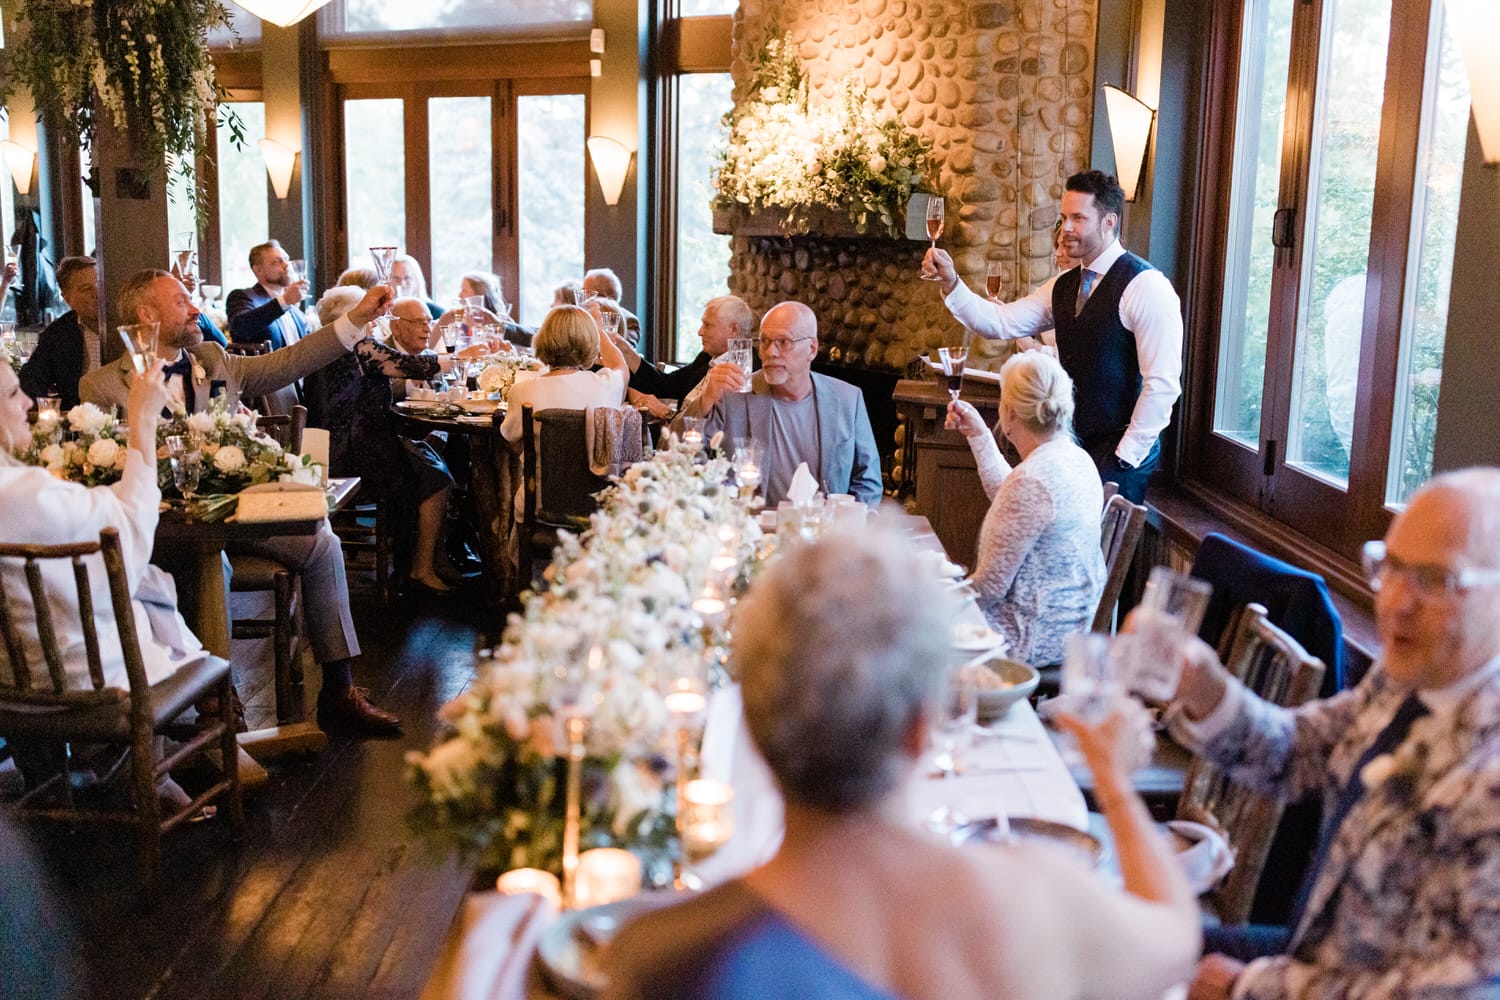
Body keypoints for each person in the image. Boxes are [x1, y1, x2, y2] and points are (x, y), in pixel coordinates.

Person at [603, 529, 1199, 1000]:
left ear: (754, 733)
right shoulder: (1040, 903)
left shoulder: (657, 957)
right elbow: (1176, 936)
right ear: (922, 728)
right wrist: (1114, 783)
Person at [1167, 467, 1500, 999]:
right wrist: (1204, 689)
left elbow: (1454, 992)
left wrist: (1254, 987)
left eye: (1436, 581)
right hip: (1310, 949)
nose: (1397, 602)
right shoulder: (1405, 677)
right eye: (1391, 568)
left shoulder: (1490, 777)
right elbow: (1298, 753)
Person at [80, 270, 402, 734]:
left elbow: (289, 362)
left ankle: (338, 691)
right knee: (215, 567)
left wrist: (355, 320)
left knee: (321, 541)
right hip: (167, 532)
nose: (195, 309)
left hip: (239, 516)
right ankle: (216, 700)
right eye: (181, 302)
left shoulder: (213, 360)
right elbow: (107, 472)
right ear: (146, 315)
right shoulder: (102, 388)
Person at [1, 356, 215, 808]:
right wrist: (141, 422)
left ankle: (58, 782)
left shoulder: (30, 493)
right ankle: (142, 774)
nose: (27, 404)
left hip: (7, 682)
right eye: (12, 394)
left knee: (141, 594)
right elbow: (129, 535)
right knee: (148, 594)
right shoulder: (26, 496)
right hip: (79, 686)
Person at [924, 170, 1182, 504]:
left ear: (1109, 222)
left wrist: (1125, 456)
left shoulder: (1146, 286)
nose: (1067, 229)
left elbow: (1162, 384)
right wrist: (951, 282)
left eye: (1078, 217)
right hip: (1071, 447)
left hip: (1119, 457)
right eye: (1064, 217)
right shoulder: (1063, 285)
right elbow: (999, 321)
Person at [945, 352, 1104, 664]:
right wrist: (979, 434)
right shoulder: (1076, 460)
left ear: (1009, 413)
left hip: (1026, 637)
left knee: (901, 637)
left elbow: (988, 589)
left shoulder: (1031, 481)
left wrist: (923, 601)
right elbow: (1017, 503)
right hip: (1071, 631)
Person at [334, 295, 462, 595]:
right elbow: (409, 367)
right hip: (355, 448)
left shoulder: (357, 346)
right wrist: (459, 358)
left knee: (439, 458)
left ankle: (434, 555)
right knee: (436, 476)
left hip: (371, 436)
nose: (375, 322)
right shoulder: (359, 348)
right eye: (370, 316)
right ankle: (421, 568)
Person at [699, 301, 883, 508]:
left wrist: (849, 528)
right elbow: (684, 454)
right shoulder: (735, 395)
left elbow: (868, 480)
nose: (770, 352)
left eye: (783, 342)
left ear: (812, 349)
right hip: (753, 530)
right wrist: (705, 401)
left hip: (824, 533)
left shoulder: (848, 399)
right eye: (765, 342)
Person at [499, 304, 628, 442]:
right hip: (594, 464)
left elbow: (510, 436)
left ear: (542, 338)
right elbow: (620, 365)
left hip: (541, 464)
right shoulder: (606, 384)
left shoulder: (521, 391)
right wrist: (599, 330)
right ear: (591, 343)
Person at [613, 295, 753, 419]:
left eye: (708, 325)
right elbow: (663, 384)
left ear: (734, 329)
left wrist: (667, 413)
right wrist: (625, 350)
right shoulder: (705, 358)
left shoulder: (749, 371)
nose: (700, 332)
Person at [19, 256, 102, 408]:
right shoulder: (57, 334)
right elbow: (30, 384)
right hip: (82, 421)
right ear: (68, 299)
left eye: (100, 283)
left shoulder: (129, 324)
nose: (98, 293)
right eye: (86, 289)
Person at [226, 239, 310, 350]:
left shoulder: (295, 310)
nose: (286, 265)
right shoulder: (243, 297)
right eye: (277, 262)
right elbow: (240, 328)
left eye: (286, 260)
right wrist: (284, 301)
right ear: (258, 270)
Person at [582, 266, 640, 345]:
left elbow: (626, 351)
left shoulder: (629, 320)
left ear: (602, 296)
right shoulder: (581, 318)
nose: (583, 299)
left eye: (586, 293)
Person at [390, 254, 444, 320]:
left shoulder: (436, 313)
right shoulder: (383, 314)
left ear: (417, 280)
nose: (402, 284)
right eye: (396, 279)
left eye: (407, 278)